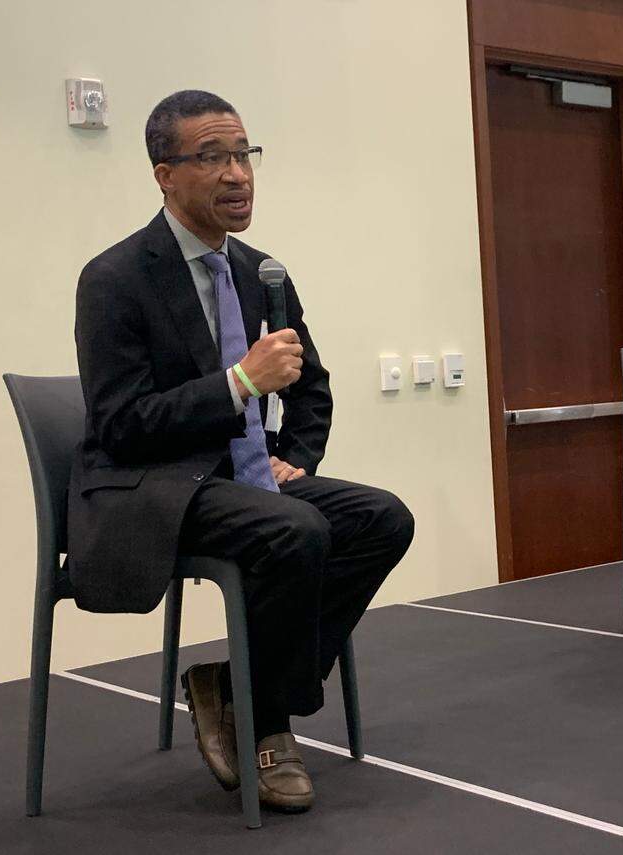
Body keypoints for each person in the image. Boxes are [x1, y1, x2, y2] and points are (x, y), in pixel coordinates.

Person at [68, 90, 415, 811]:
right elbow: (121, 423)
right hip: (153, 485)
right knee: (295, 529)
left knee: (383, 517)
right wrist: (235, 386)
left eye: (243, 154)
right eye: (212, 157)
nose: (237, 174)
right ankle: (270, 726)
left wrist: (297, 453)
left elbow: (309, 382)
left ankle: (234, 685)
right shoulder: (116, 278)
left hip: (246, 478)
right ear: (165, 174)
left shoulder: (262, 272)